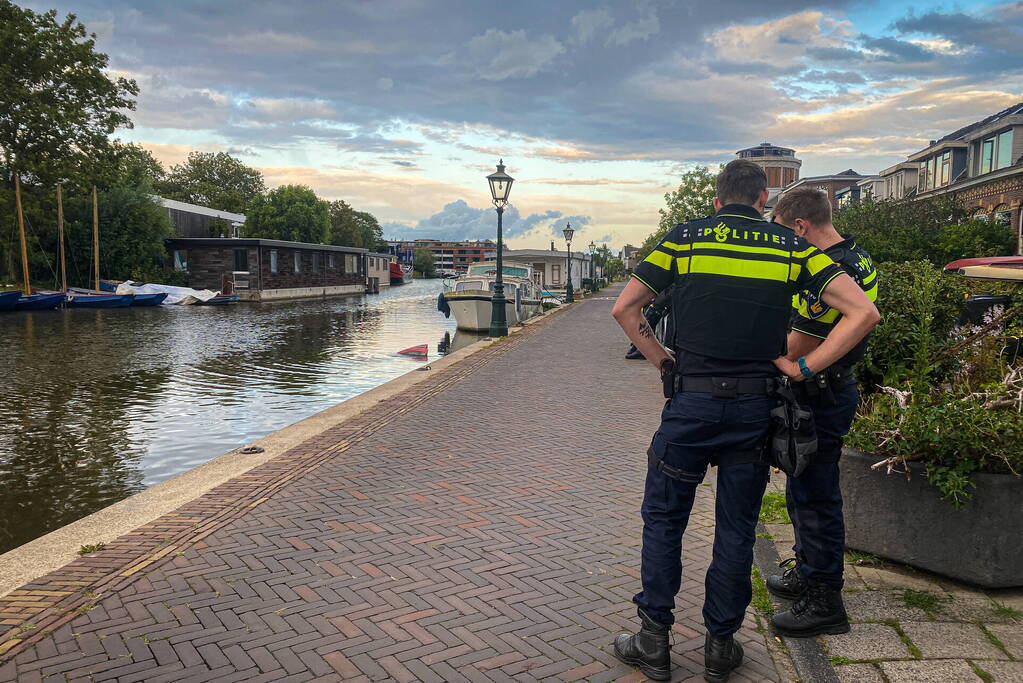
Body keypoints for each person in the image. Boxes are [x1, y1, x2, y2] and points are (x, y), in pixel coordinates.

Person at [610, 160, 879, 682]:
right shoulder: (791, 247)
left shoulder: (684, 239)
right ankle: (720, 645)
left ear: (716, 201)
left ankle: (653, 640)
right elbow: (862, 313)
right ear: (762, 201)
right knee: (735, 527)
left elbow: (625, 309)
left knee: (664, 520)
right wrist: (803, 367)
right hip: (755, 410)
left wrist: (664, 360)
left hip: (691, 406)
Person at [764, 188, 879, 638]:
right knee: (803, 487)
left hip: (820, 392)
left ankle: (825, 599)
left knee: (816, 497)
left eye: (780, 230)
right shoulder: (858, 255)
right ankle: (808, 572)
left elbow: (802, 342)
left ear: (799, 227)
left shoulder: (833, 269)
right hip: (833, 388)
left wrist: (788, 363)